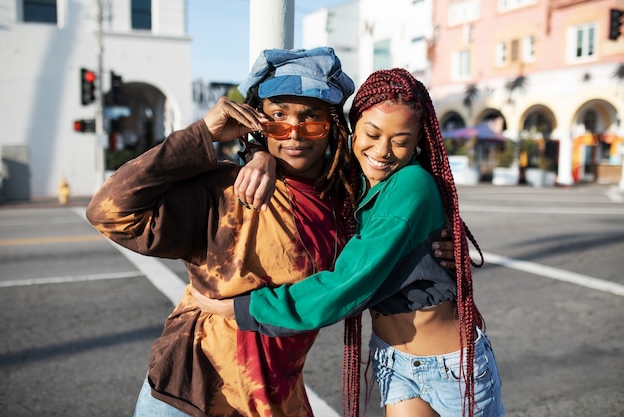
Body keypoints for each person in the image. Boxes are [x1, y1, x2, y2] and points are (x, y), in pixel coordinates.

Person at [86, 48, 454, 417]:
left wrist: (431, 250)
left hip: (277, 398)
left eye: (311, 119)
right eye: (277, 118)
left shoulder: (345, 199)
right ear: (259, 122)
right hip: (190, 394)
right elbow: (110, 212)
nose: (294, 134)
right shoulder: (225, 190)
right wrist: (204, 134)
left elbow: (382, 237)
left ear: (334, 127)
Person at [195, 68, 505, 417]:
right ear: (352, 129)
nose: (383, 151)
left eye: (401, 141)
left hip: (449, 367)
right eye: (371, 134)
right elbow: (295, 150)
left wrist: (247, 308)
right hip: (394, 359)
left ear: (419, 141)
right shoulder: (351, 174)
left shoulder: (412, 185)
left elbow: (349, 280)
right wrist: (260, 155)